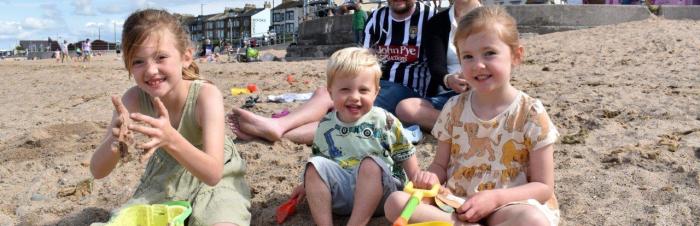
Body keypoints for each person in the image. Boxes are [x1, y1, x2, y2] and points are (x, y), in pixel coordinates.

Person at [383, 6, 560, 226]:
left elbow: (543, 187)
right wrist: (431, 177)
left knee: (533, 220)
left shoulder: (530, 113)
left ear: (516, 56)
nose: (478, 65)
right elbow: (440, 165)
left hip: (508, 204)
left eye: (490, 53)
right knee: (395, 202)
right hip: (456, 203)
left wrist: (495, 198)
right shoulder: (453, 108)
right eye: (468, 56)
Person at [89, 9, 251, 226]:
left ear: (185, 57)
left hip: (217, 181)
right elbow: (97, 171)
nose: (151, 70)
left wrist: (170, 139)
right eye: (138, 62)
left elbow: (213, 173)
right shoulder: (133, 100)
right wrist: (114, 142)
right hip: (164, 180)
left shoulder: (205, 96)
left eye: (161, 57)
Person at [227, 0, 435, 145]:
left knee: (341, 115)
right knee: (324, 92)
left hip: (408, 89)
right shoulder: (378, 18)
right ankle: (278, 126)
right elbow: (364, 59)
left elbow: (444, 61)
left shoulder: (430, 17)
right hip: (375, 84)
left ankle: (277, 133)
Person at [288, 47, 420, 226]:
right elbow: (321, 161)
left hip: (383, 196)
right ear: (330, 92)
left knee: (370, 164)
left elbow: (405, 152)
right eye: (345, 90)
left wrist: (417, 178)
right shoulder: (326, 124)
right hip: (342, 196)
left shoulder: (384, 120)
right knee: (313, 166)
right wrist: (308, 185)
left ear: (376, 93)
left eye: (363, 90)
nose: (354, 97)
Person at [397, 0, 483, 130]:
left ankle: (461, 125)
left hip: (483, 91)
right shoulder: (436, 22)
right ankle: (465, 127)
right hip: (447, 95)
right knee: (405, 108)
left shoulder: (494, 20)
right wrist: (448, 79)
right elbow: (436, 66)